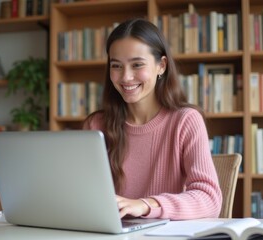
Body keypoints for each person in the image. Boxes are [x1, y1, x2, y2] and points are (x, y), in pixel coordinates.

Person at [83, 18, 222, 220]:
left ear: (161, 66)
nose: (126, 77)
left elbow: (210, 200)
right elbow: (82, 194)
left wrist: (146, 205)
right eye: (116, 66)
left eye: (137, 64)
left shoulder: (186, 121)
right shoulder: (96, 125)